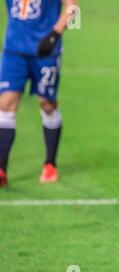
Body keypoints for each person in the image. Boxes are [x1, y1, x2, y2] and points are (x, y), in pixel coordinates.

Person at [0, 0, 78, 187]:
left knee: (47, 105)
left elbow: (72, 7)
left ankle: (50, 164)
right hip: (14, 50)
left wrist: (54, 34)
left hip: (45, 50)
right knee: (5, 103)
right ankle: (1, 168)